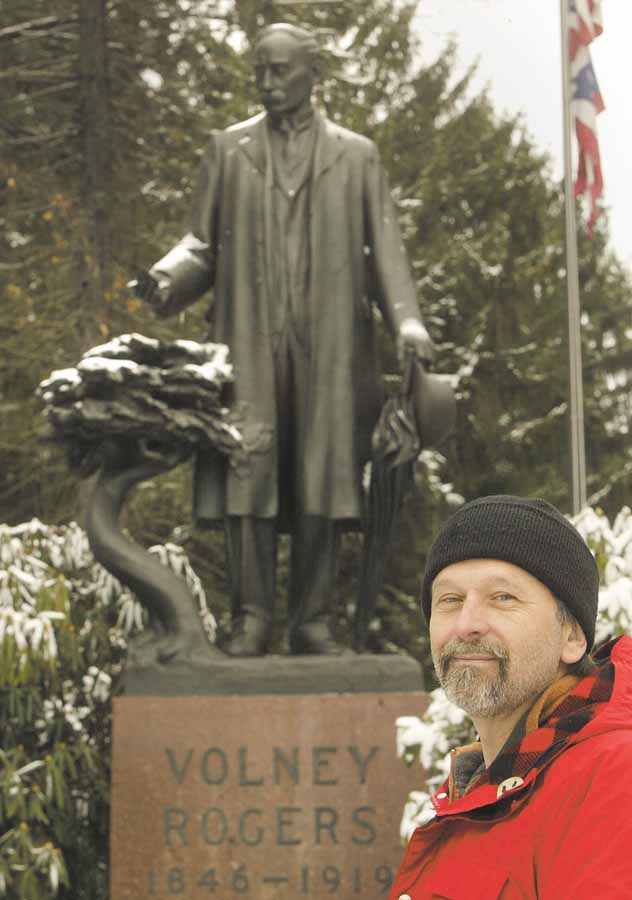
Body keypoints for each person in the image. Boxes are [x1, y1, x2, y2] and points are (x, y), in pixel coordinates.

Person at [133, 23, 434, 657]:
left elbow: (386, 256)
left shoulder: (357, 156)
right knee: (250, 471)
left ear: (312, 76)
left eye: (281, 72)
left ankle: (312, 619)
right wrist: (167, 278)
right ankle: (251, 618)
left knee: (323, 473)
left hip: (330, 347)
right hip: (249, 340)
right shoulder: (229, 148)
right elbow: (201, 243)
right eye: (262, 72)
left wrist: (406, 321)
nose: (269, 83)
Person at [390, 494, 632, 900]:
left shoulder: (613, 777)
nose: (467, 624)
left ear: (571, 636)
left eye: (503, 598)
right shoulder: (484, 790)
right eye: (449, 600)